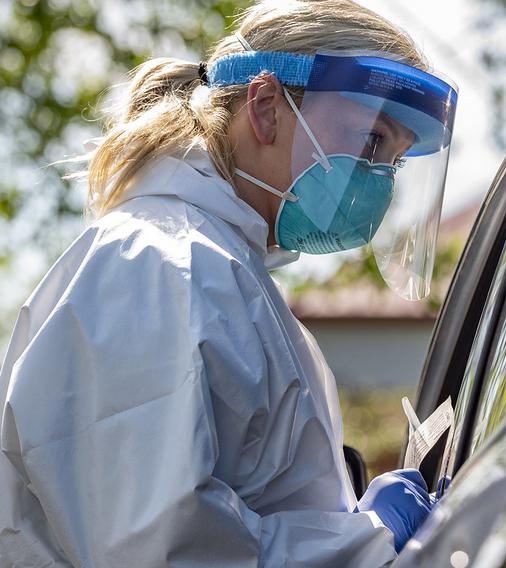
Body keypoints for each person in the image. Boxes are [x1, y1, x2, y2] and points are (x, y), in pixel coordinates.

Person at [0, 1, 458, 566]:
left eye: (395, 160)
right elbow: (160, 549)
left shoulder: (217, 270)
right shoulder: (163, 268)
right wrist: (368, 538)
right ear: (266, 107)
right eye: (372, 142)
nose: (379, 182)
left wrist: (351, 526)